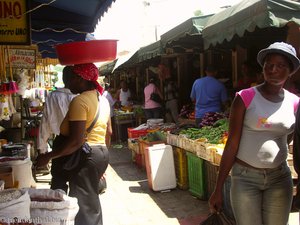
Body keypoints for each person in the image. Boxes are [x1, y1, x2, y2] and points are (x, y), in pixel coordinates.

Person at [209, 42, 300, 225]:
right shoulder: (245, 98)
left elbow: (289, 137)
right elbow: (232, 143)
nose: (273, 69)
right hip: (245, 179)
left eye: (281, 65)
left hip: (279, 178)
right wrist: (218, 188)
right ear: (263, 67)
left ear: (290, 71)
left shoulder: (295, 103)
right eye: (269, 64)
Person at [36, 63, 111, 225]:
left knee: (83, 204)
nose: (67, 84)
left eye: (70, 79)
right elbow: (109, 133)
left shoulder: (80, 101)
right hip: (100, 153)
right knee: (90, 200)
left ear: (79, 79)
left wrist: (48, 156)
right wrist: (102, 162)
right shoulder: (102, 99)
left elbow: (76, 141)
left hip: (86, 155)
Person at [37, 66, 76, 155]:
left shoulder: (53, 96)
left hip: (60, 142)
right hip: (78, 141)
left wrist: (42, 149)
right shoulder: (80, 96)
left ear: (63, 78)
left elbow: (45, 123)